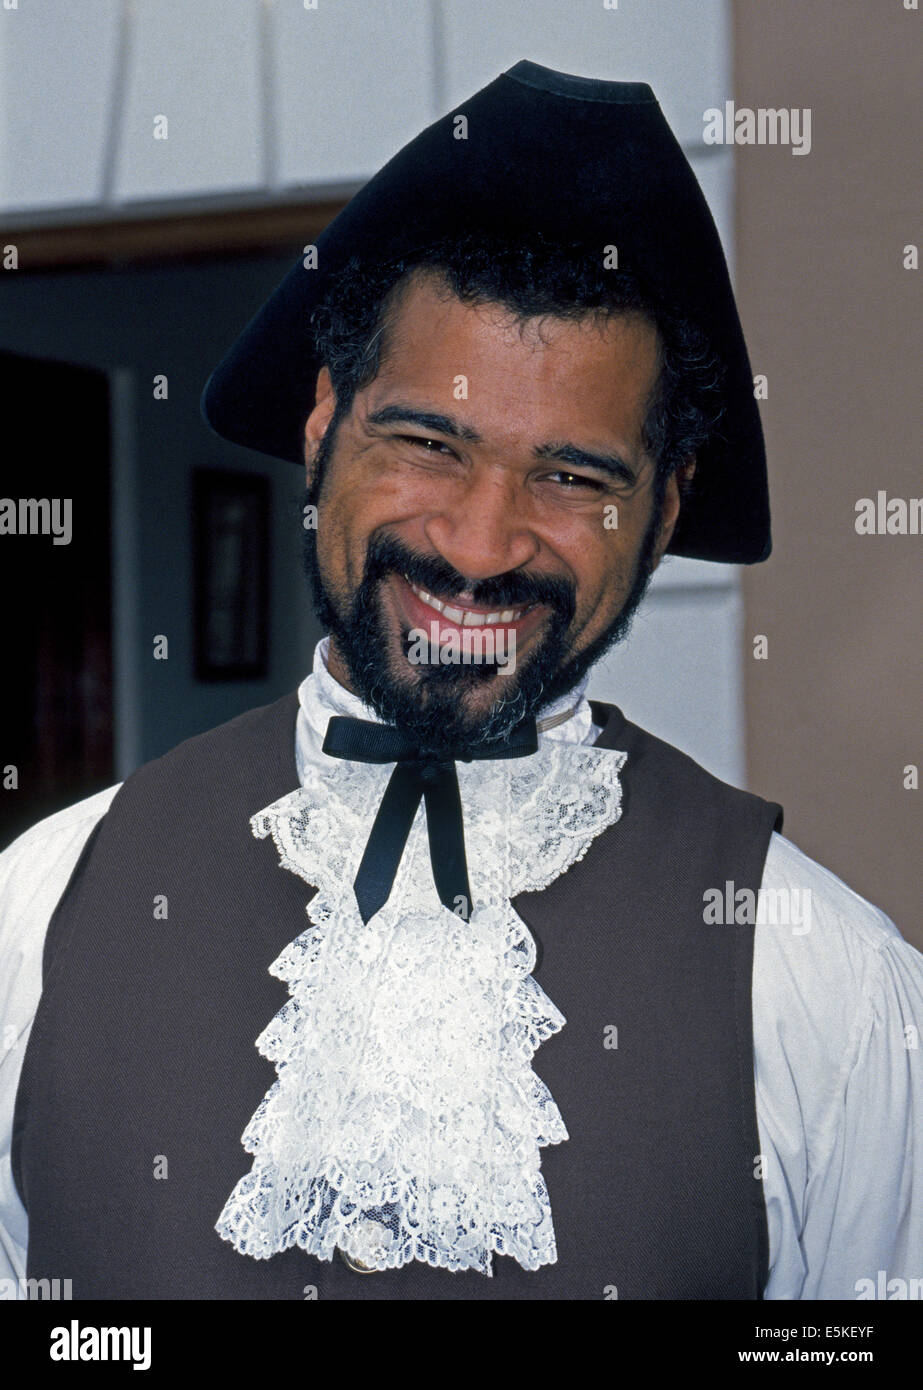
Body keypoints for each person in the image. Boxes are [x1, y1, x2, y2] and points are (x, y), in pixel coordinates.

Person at [1, 61, 920, 1301]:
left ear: (660, 514)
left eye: (573, 478)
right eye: (427, 444)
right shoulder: (34, 916)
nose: (481, 547)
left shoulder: (825, 983)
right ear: (323, 425)